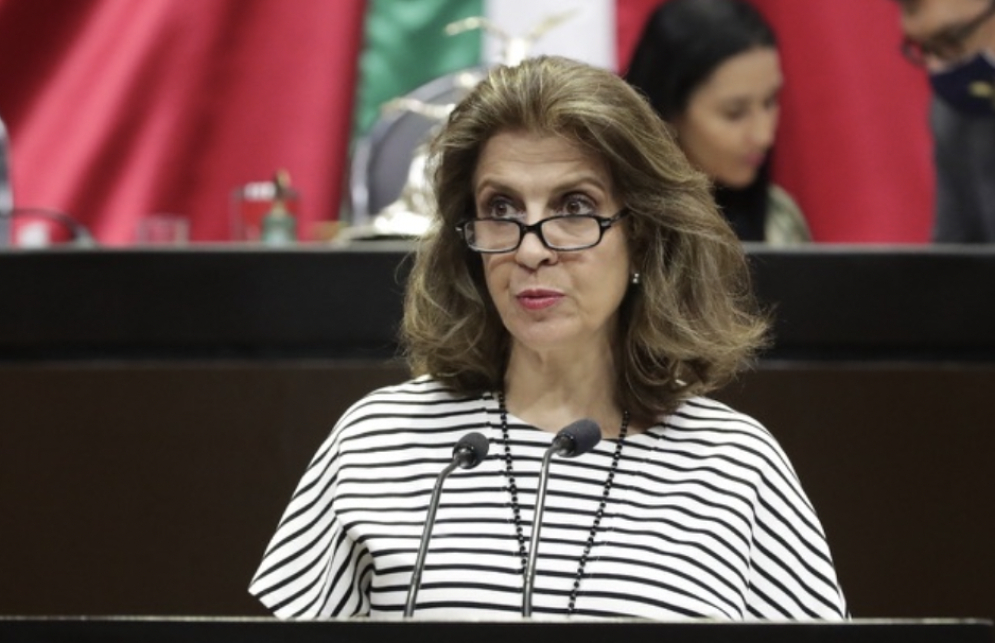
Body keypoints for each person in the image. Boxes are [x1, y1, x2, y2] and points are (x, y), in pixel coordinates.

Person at [248, 55, 847, 620]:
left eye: (575, 206)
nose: (531, 249)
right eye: (501, 208)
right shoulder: (378, 442)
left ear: (641, 235)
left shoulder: (735, 466)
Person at [624, 0, 810, 245]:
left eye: (769, 102)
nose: (764, 135)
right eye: (735, 113)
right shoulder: (616, 226)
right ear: (668, 112)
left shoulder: (779, 221)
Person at [892, 0, 995, 243]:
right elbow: (955, 256)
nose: (937, 66)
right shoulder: (955, 113)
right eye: (925, 48)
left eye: (951, 39)